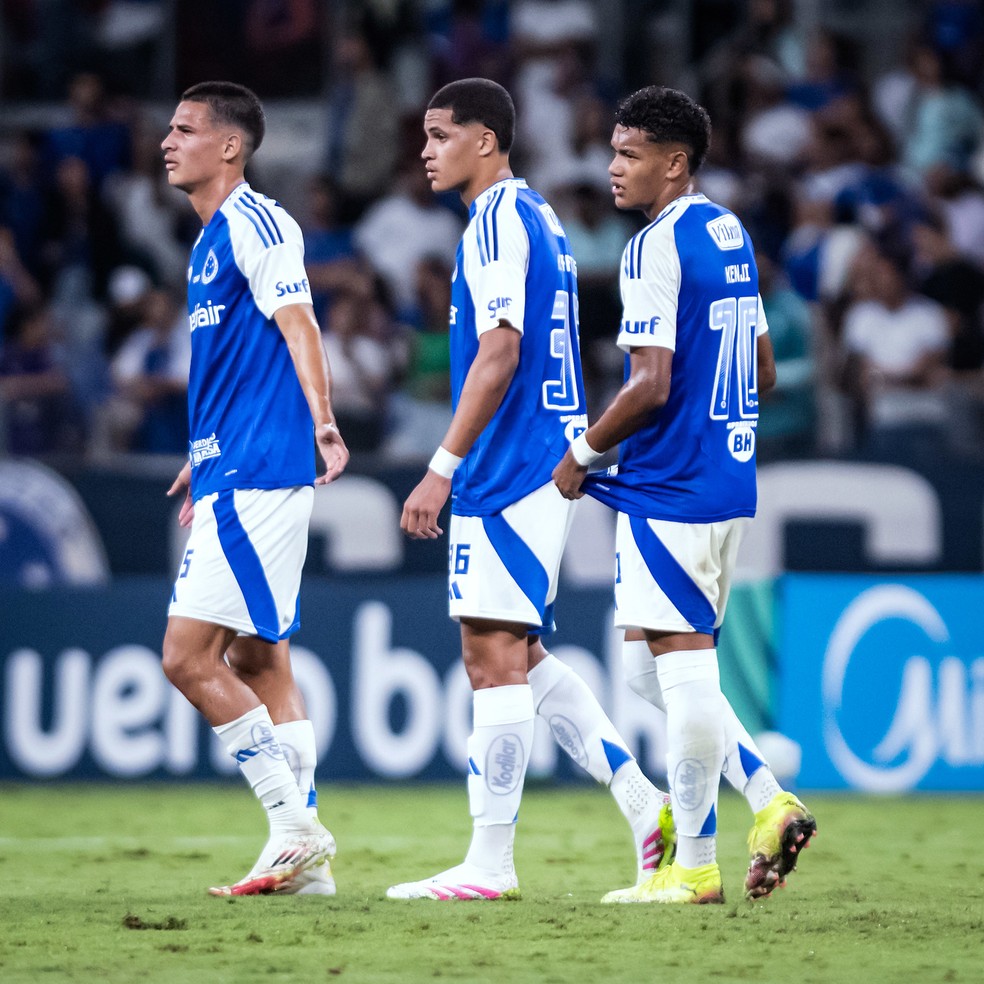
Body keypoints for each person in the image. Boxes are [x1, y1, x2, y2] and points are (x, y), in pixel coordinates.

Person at [386, 78, 673, 903]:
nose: (426, 151)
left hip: (510, 465)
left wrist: (441, 466)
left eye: (441, 135)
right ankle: (642, 804)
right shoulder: (533, 215)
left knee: (490, 659)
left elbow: (501, 351)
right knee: (520, 652)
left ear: (486, 140)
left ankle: (490, 866)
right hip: (537, 455)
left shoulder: (498, 221)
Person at [553, 86, 816, 904]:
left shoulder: (653, 248)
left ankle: (694, 867)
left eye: (629, 154)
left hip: (672, 488)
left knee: (684, 669)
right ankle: (768, 800)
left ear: (674, 163)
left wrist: (584, 451)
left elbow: (651, 382)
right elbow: (763, 370)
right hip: (728, 478)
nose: (612, 168)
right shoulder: (727, 229)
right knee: (644, 668)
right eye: (612, 151)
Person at [158, 81, 349, 896]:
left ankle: (293, 827)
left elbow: (299, 322)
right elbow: (239, 365)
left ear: (229, 147)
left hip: (262, 472)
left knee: (185, 657)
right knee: (259, 658)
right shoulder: (205, 245)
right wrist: (203, 452)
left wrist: (325, 420)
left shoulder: (257, 220)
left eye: (185, 129)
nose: (167, 141)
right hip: (233, 463)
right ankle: (309, 874)